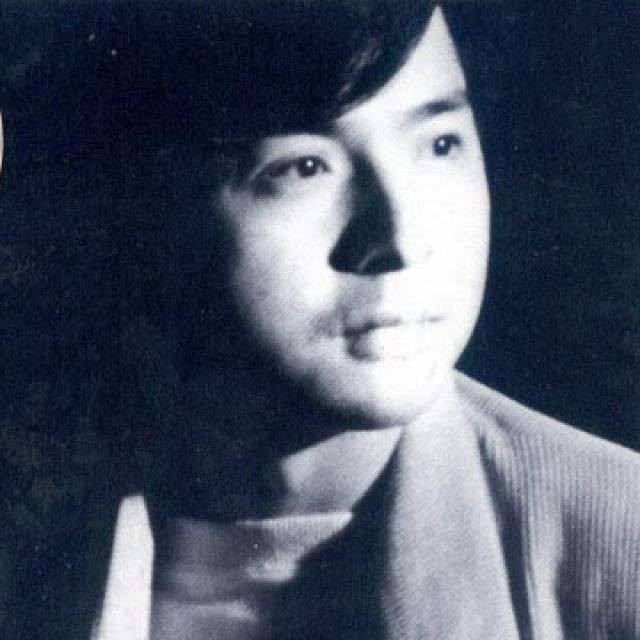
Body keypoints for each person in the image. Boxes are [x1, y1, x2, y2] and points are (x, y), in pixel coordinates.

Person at [2, 2, 639, 639]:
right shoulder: (34, 524)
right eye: (303, 167)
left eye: (440, 145)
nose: (401, 238)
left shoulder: (618, 551)